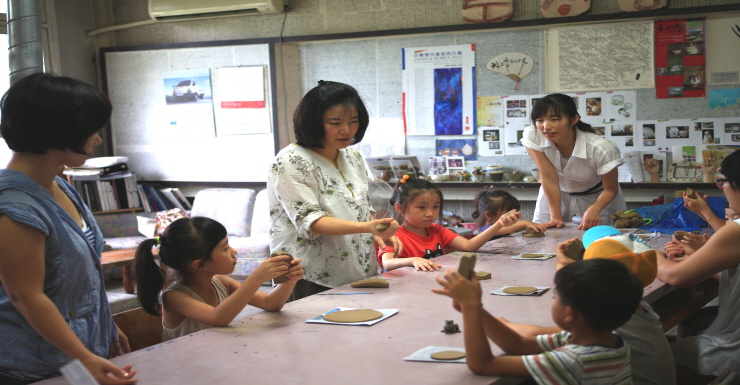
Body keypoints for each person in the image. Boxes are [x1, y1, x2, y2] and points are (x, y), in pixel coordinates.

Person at [0, 73, 136, 384]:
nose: (97, 139)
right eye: (91, 131)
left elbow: (75, 280)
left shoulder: (60, 184)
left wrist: (104, 324)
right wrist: (84, 356)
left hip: (67, 354)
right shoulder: (15, 206)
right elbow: (27, 297)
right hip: (31, 365)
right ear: (59, 133)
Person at [267, 81, 401, 300]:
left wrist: (378, 233)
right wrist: (368, 226)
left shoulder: (352, 156)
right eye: (335, 122)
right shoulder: (291, 160)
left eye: (354, 121)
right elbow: (311, 222)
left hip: (355, 268)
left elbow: (361, 206)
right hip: (308, 273)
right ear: (313, 122)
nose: (346, 130)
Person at [498, 227, 676, 385]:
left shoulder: (601, 318)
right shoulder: (631, 305)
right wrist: (564, 266)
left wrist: (497, 321)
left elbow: (528, 338)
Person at [433, 258, 642, 383]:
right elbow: (518, 344)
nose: (553, 300)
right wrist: (475, 308)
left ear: (570, 314)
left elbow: (483, 364)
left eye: (554, 297)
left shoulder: (572, 361)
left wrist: (470, 308)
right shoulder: (607, 340)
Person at [134, 217, 303, 341]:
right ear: (199, 265)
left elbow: (270, 304)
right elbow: (218, 318)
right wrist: (256, 278)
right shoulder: (174, 297)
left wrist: (289, 280)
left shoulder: (221, 282)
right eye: (225, 248)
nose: (234, 251)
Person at [657, 150, 740, 383]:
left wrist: (647, 254)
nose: (722, 188)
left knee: (653, 356)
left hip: (734, 348)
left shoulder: (737, 230)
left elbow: (676, 277)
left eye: (722, 182)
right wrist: (701, 259)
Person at [521, 93, 626, 230]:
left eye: (554, 119)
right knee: (547, 238)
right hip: (554, 195)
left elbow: (611, 189)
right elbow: (548, 177)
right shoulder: (533, 135)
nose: (546, 127)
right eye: (540, 120)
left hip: (596, 197)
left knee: (599, 240)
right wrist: (555, 217)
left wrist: (596, 208)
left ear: (574, 120)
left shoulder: (601, 148)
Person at [379, 178, 520, 271]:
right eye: (422, 207)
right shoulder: (393, 235)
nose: (430, 213)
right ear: (400, 208)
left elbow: (469, 246)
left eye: (435, 207)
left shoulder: (437, 230)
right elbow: (387, 263)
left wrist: (499, 224)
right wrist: (412, 260)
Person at [471, 190, 547, 235]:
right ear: (489, 215)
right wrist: (524, 223)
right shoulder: (485, 229)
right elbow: (496, 231)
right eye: (508, 213)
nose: (514, 216)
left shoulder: (508, 227)